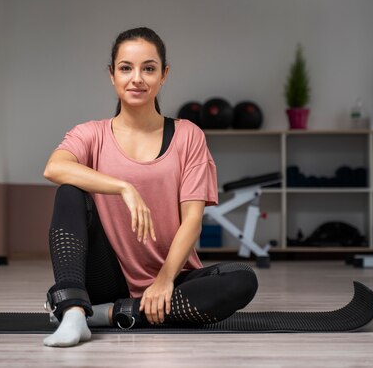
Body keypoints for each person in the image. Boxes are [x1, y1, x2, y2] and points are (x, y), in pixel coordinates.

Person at [42, 27, 258, 347]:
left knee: (242, 280)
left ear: (164, 75)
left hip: (172, 278)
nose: (137, 78)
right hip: (107, 276)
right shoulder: (91, 133)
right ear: (112, 75)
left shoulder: (188, 135)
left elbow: (193, 220)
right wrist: (123, 188)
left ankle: (108, 315)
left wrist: (164, 280)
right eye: (126, 68)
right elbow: (54, 168)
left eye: (149, 68)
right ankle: (74, 311)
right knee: (69, 190)